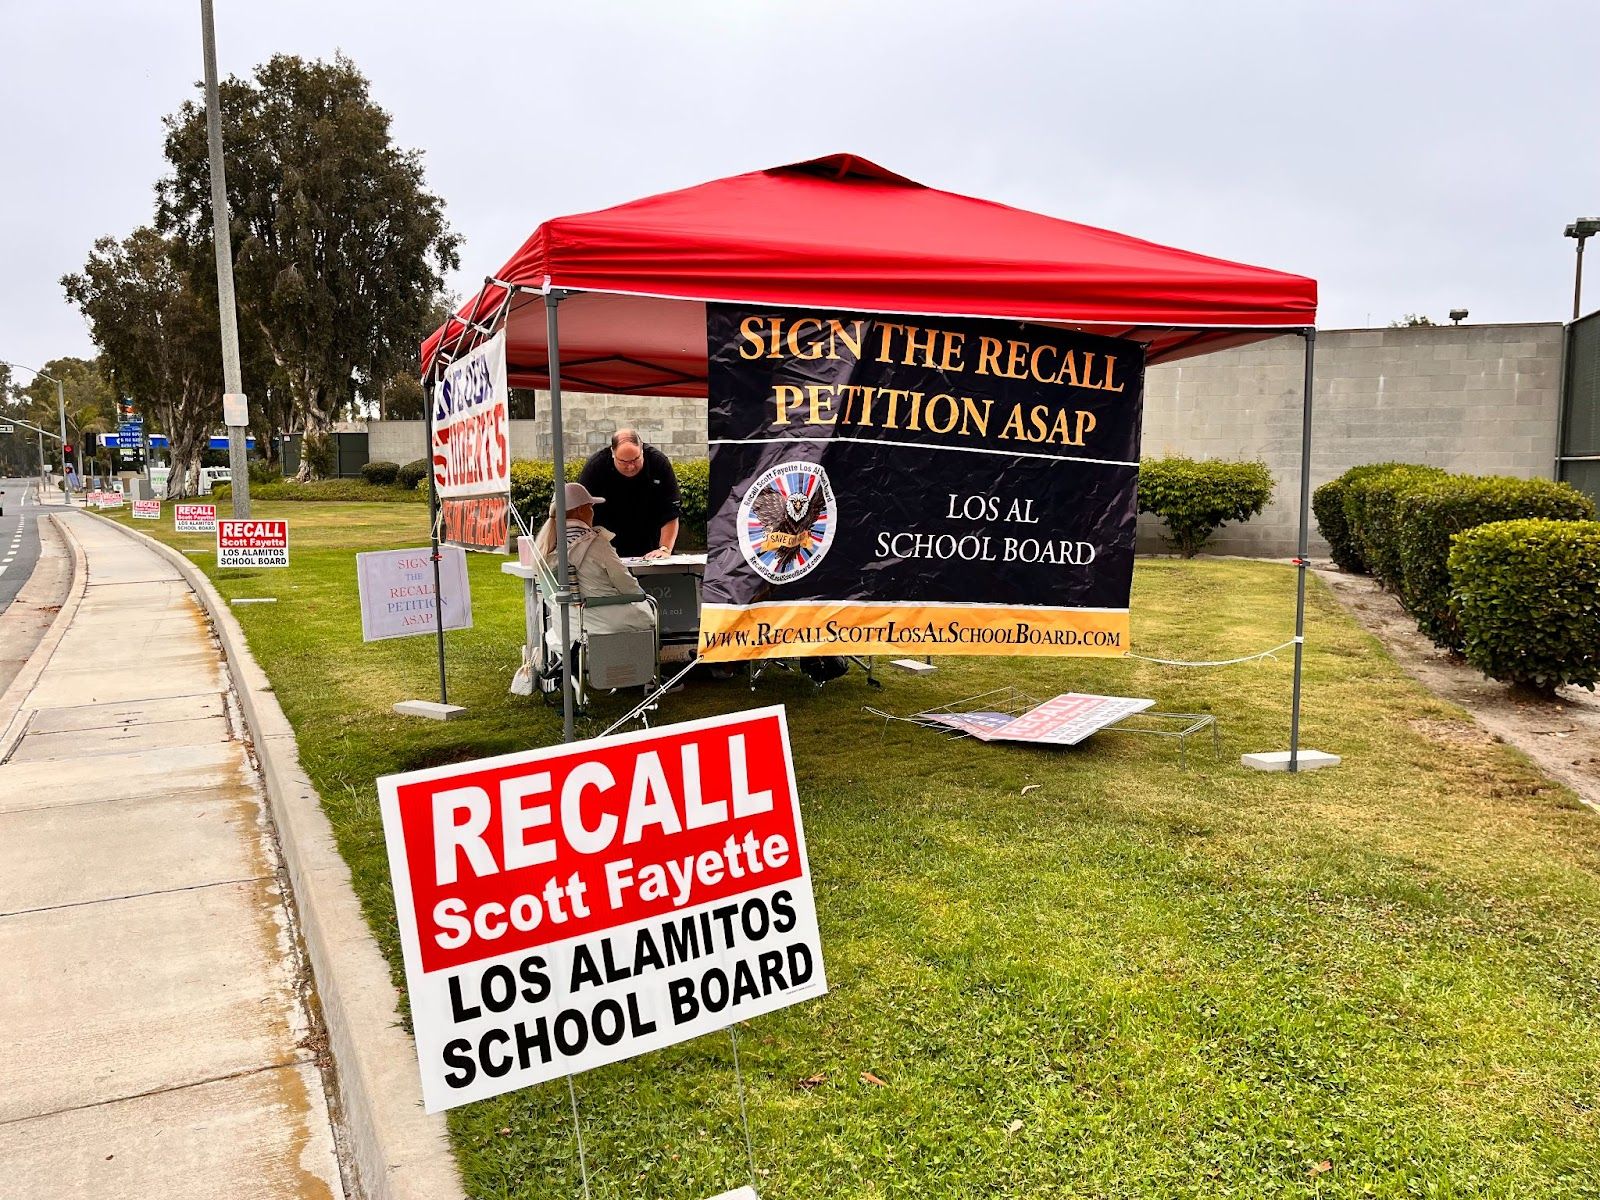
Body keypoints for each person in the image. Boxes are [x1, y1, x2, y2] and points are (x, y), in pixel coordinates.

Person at [533, 481, 654, 638]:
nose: (592, 512)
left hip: (566, 627)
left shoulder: (547, 547)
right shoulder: (596, 543)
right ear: (581, 510)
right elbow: (626, 584)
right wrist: (640, 594)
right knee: (648, 607)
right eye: (590, 507)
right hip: (603, 621)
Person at [576, 429, 681, 559]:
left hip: (650, 543)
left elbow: (671, 511)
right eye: (623, 462)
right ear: (613, 454)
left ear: (642, 449)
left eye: (636, 459)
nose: (631, 467)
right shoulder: (596, 467)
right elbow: (580, 511)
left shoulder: (658, 463)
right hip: (607, 544)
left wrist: (665, 549)